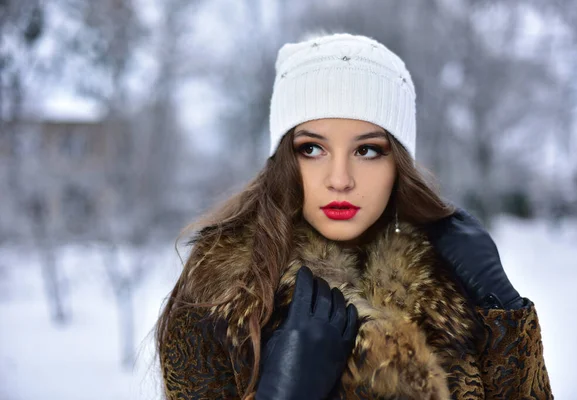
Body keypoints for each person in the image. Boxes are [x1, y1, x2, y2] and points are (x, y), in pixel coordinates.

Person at [156, 33, 553, 399]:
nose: (340, 180)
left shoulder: (450, 284)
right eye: (312, 149)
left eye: (367, 150)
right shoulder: (218, 291)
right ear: (283, 161)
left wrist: (503, 309)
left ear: (398, 163)